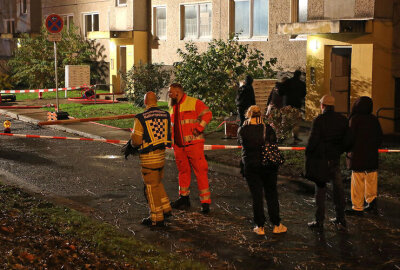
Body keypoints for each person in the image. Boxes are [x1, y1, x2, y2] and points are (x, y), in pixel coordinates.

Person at [237, 105, 287, 236]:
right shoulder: (268, 128)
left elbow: (242, 144)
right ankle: (276, 224)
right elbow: (274, 143)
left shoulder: (243, 130)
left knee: (256, 196)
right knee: (271, 194)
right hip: (268, 166)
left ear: (248, 115)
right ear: (260, 115)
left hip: (251, 166)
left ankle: (259, 226)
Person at [306, 95, 351, 231]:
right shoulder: (342, 119)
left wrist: (308, 153)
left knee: (320, 189)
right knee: (338, 189)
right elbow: (348, 138)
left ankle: (319, 220)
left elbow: (313, 140)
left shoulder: (319, 120)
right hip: (335, 158)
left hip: (321, 159)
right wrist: (340, 150)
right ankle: (340, 218)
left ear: (322, 106)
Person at [168, 83, 213, 214]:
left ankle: (205, 204)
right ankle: (184, 198)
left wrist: (199, 128)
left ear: (177, 92)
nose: (169, 94)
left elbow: (207, 114)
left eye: (171, 92)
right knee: (183, 172)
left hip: (193, 144)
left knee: (200, 172)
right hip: (179, 146)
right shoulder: (173, 107)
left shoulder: (193, 102)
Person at [130, 91, 172, 227]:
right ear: (156, 101)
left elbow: (136, 140)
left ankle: (156, 219)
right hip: (161, 156)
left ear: (145, 102)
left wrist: (131, 145)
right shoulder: (166, 115)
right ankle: (166, 209)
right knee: (158, 182)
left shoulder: (141, 118)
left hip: (149, 158)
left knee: (151, 188)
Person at [345, 96, 383, 215]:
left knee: (357, 181)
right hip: (371, 155)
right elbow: (380, 137)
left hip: (357, 156)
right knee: (371, 179)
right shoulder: (373, 119)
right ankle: (372, 203)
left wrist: (347, 149)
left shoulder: (354, 119)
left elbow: (349, 138)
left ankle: (357, 207)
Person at [279, 70, 306, 142]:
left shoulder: (287, 82)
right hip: (297, 105)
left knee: (285, 121)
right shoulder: (302, 84)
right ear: (300, 76)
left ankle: (282, 137)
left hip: (287, 104)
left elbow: (281, 91)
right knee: (296, 122)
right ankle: (295, 137)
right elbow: (303, 94)